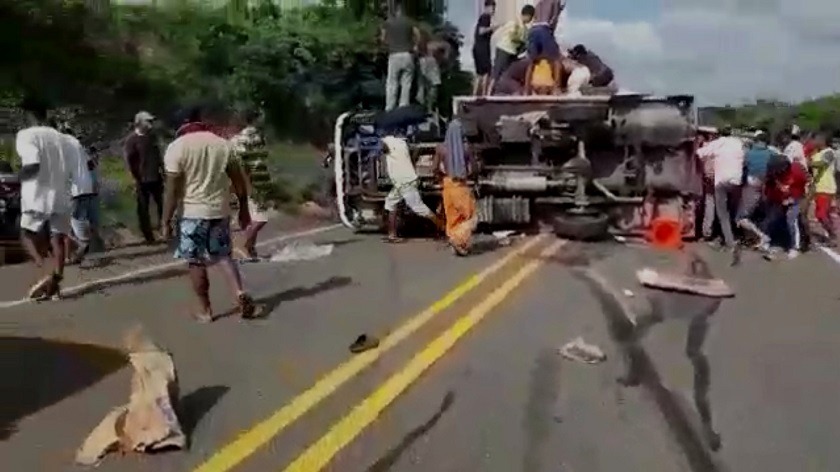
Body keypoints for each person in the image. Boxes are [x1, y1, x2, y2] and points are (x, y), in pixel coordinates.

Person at [161, 106, 257, 322]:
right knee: (224, 256)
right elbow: (239, 181)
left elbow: (172, 190)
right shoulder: (222, 144)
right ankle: (240, 293)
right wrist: (243, 209)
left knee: (195, 260)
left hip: (192, 213)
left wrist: (165, 221)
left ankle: (206, 310)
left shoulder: (176, 147)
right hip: (219, 210)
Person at [15, 97, 81, 299]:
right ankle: (56, 281)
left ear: (28, 115)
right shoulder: (60, 137)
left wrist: (19, 178)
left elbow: (32, 165)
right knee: (58, 239)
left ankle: (44, 273)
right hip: (61, 193)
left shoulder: (26, 135)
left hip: (37, 194)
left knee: (26, 234)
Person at [381, 135, 443, 243]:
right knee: (390, 203)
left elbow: (383, 148)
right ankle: (392, 234)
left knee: (419, 208)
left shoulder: (388, 142)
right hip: (401, 181)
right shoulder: (403, 143)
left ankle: (442, 226)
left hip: (405, 182)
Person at [431, 119, 476, 256]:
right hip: (461, 185)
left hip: (447, 184)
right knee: (470, 217)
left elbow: (434, 168)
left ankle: (457, 241)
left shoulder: (441, 148)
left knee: (453, 217)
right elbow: (473, 169)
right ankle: (458, 240)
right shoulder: (467, 148)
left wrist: (440, 177)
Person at [696, 126, 744, 250]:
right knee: (731, 209)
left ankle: (729, 242)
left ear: (719, 134)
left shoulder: (717, 144)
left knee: (722, 213)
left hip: (721, 182)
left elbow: (699, 153)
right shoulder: (738, 143)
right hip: (736, 181)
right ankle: (733, 234)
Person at [229, 111, 269, 260]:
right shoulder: (243, 139)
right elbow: (241, 164)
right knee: (261, 217)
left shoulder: (256, 137)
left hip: (258, 179)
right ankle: (243, 244)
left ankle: (250, 247)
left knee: (254, 215)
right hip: (251, 180)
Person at [60, 125, 101, 267]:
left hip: (74, 192)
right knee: (79, 222)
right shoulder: (80, 148)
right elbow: (92, 165)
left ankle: (81, 247)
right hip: (87, 189)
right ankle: (77, 253)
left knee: (69, 223)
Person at [124, 110, 164, 244]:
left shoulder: (152, 137)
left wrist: (162, 169)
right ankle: (148, 236)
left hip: (156, 177)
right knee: (143, 208)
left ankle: (164, 230)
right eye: (148, 121)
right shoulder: (132, 140)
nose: (151, 124)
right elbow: (130, 161)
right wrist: (134, 178)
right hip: (142, 179)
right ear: (139, 123)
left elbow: (158, 156)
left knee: (162, 205)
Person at [761, 157, 808, 258]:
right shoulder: (771, 175)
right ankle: (767, 240)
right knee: (771, 219)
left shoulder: (797, 172)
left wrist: (793, 199)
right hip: (776, 198)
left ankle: (795, 247)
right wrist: (768, 198)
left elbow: (805, 186)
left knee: (791, 221)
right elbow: (768, 187)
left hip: (794, 198)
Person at [735, 130, 773, 247]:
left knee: (740, 217)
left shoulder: (749, 153)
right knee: (761, 215)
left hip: (752, 186)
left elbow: (742, 167)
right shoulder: (771, 153)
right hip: (767, 188)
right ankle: (755, 238)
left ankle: (761, 237)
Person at [381, 4, 420, 111]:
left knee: (392, 82)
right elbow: (417, 34)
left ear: (395, 11)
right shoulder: (409, 22)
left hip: (394, 55)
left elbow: (383, 38)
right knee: (406, 83)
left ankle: (389, 107)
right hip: (407, 55)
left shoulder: (388, 23)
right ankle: (403, 106)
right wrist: (415, 46)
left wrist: (389, 44)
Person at [489, 5, 534, 94]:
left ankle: (501, 92)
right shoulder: (514, 22)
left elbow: (525, 42)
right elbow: (511, 36)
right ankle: (489, 92)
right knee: (497, 72)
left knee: (507, 74)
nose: (530, 20)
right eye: (530, 17)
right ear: (527, 15)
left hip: (513, 53)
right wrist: (521, 41)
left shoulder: (525, 29)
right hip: (504, 49)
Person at [808, 134, 836, 244]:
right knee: (822, 214)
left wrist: (809, 163)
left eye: (816, 139)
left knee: (821, 214)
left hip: (826, 187)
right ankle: (831, 235)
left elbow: (823, 164)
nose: (814, 141)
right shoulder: (817, 152)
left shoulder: (829, 152)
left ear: (823, 140)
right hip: (818, 187)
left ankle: (832, 236)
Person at [472, 1, 497, 96]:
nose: (494, 11)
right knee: (487, 72)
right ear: (487, 7)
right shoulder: (485, 17)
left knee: (479, 73)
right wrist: (494, 27)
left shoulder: (483, 18)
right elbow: (481, 31)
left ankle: (474, 95)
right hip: (482, 49)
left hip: (477, 48)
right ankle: (484, 95)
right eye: (492, 8)